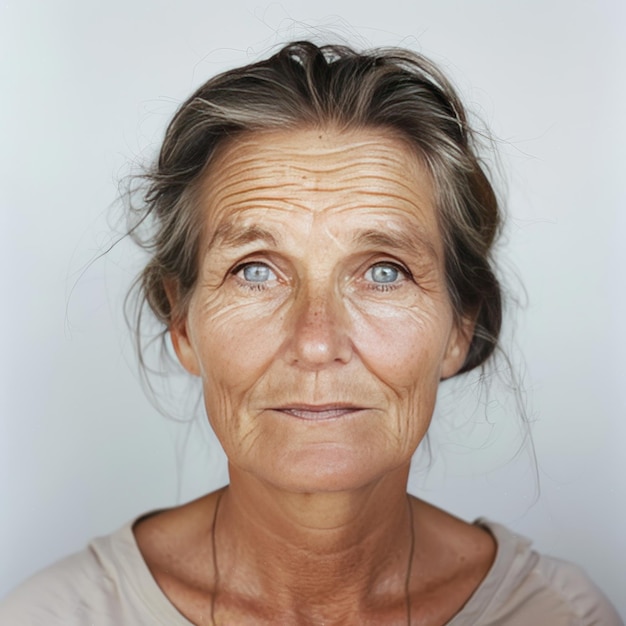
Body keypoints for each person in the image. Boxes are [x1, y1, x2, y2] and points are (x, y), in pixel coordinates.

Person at [1, 40, 622, 626]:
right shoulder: (57, 616)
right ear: (182, 322)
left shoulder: (562, 614)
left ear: (461, 327)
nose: (317, 341)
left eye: (384, 272)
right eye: (255, 272)